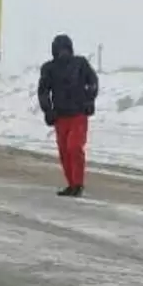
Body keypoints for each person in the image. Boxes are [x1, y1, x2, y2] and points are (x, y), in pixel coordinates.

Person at [37, 33, 99, 197]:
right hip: (60, 116)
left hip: (78, 114)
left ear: (70, 49)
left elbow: (92, 82)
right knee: (64, 151)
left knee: (74, 147)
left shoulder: (80, 64)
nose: (62, 53)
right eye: (59, 49)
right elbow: (43, 91)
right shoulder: (48, 69)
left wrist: (89, 100)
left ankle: (78, 184)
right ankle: (71, 184)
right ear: (54, 51)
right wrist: (47, 110)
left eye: (65, 49)